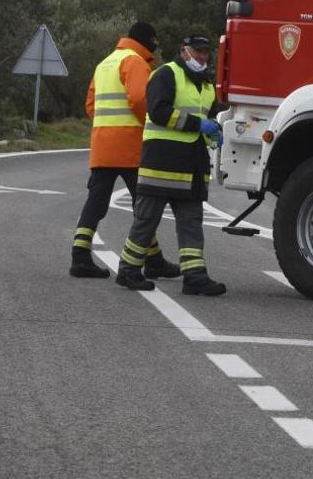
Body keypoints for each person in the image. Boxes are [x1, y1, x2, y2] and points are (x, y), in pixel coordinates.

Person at [114, 36, 227, 297]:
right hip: (161, 164)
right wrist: (198, 125)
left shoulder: (206, 84)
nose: (202, 57)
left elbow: (208, 115)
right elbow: (158, 111)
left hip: (192, 166)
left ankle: (195, 277)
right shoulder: (166, 74)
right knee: (147, 220)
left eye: (205, 53)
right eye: (197, 52)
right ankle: (128, 270)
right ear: (184, 51)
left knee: (192, 223)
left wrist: (212, 130)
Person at [69, 21, 179, 281]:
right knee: (145, 203)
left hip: (103, 145)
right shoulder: (135, 61)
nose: (155, 46)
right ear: (147, 40)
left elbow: (90, 105)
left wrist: (107, 126)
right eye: (154, 41)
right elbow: (140, 99)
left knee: (96, 202)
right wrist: (150, 124)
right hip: (130, 146)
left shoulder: (105, 63)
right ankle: (153, 261)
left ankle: (80, 256)